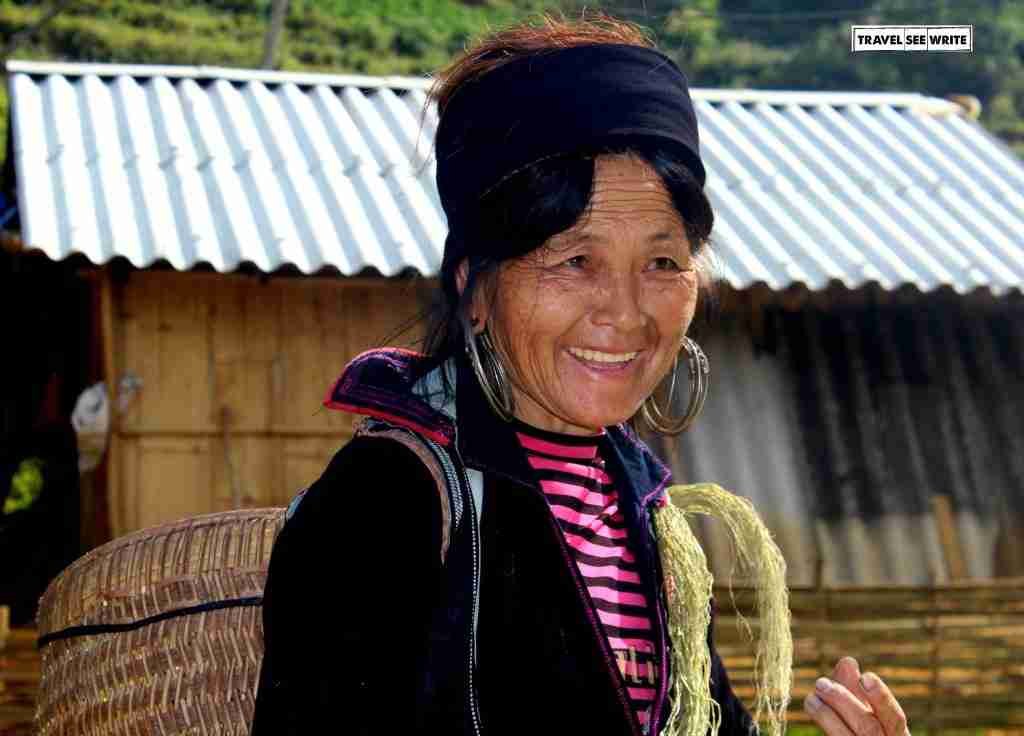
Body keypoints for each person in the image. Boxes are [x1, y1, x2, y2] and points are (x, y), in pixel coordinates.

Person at [250, 14, 910, 736]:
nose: (626, 313)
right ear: (474, 288)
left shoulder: (646, 516)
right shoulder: (385, 504)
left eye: (662, 262)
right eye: (575, 260)